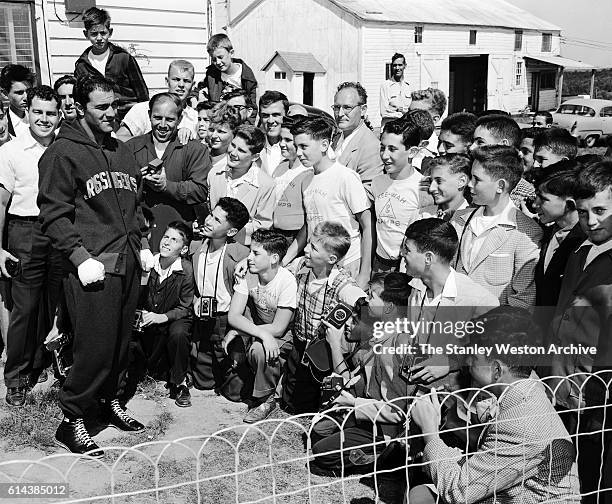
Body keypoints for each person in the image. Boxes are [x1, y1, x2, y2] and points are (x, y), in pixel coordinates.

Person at [38, 75, 152, 457]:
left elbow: (134, 206)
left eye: (114, 104)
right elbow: (54, 216)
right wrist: (78, 257)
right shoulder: (61, 153)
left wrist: (143, 244)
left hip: (128, 261)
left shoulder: (121, 151)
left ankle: (109, 400)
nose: (111, 112)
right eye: (101, 106)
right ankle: (72, 419)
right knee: (95, 345)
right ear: (80, 108)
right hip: (93, 266)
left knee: (121, 342)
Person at [408, 306, 580, 504]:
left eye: (474, 355)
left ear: (496, 369)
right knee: (422, 494)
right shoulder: (527, 392)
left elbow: (458, 492)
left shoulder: (520, 421)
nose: (468, 359)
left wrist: (429, 431)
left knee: (422, 497)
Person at [310, 272, 413, 476]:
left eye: (372, 296)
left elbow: (397, 411)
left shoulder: (396, 345)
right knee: (318, 433)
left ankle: (384, 459)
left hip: (384, 428)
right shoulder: (378, 336)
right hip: (366, 415)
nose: (366, 299)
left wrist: (353, 404)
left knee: (322, 453)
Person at [0, 86, 62, 406]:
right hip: (24, 231)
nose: (44, 119)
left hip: (60, 230)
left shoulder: (64, 148)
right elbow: (1, 202)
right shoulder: (11, 151)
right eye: (38, 111)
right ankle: (16, 377)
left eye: (50, 113)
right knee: (24, 307)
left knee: (51, 304)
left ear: (59, 115)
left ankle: (41, 364)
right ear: (27, 112)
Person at [401, 218, 499, 389]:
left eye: (407, 250)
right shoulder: (415, 287)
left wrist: (450, 362)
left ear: (428, 258)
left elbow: (494, 353)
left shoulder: (480, 301)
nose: (401, 254)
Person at [280, 221, 366, 414]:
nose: (307, 251)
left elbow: (359, 299)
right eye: (309, 244)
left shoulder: (340, 281)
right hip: (300, 343)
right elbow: (277, 272)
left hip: (324, 351)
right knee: (292, 402)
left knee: (320, 397)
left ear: (331, 258)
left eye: (313, 248)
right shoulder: (301, 266)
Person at [549, 160, 612, 418]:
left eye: (600, 210)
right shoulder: (578, 249)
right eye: (584, 213)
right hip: (562, 383)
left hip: (597, 395)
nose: (592, 221)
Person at [284, 117, 372, 288]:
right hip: (318, 265)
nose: (299, 153)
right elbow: (309, 224)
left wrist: (364, 273)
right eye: (297, 147)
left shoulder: (345, 177)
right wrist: (285, 259)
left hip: (347, 264)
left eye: (304, 146)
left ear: (324, 145)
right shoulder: (306, 180)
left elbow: (367, 225)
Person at [451, 145, 542, 309]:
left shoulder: (526, 232)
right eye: (470, 177)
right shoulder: (459, 219)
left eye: (477, 179)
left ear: (500, 186)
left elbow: (523, 298)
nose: (469, 185)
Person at [224, 229, 297, 423]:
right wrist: (256, 333)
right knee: (231, 390)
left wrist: (244, 331)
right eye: (250, 251)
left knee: (259, 350)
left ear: (274, 258)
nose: (249, 258)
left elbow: (280, 328)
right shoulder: (249, 274)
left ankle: (267, 398)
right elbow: (234, 315)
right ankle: (256, 379)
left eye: (256, 253)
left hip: (285, 335)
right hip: (260, 330)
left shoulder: (286, 280)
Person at [126, 92, 210, 249]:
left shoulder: (194, 149)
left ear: (179, 119)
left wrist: (167, 186)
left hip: (179, 237)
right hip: (141, 236)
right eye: (157, 117)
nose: (163, 125)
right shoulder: (131, 147)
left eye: (170, 119)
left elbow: (201, 190)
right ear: (149, 115)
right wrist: (139, 181)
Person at [189, 197, 250, 394]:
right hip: (203, 317)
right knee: (203, 383)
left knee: (234, 392)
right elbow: (187, 285)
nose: (208, 221)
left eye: (216, 220)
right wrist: (195, 300)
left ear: (231, 231)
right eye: (210, 215)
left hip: (227, 319)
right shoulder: (195, 246)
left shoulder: (240, 253)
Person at [135, 221, 194, 408]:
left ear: (183, 249)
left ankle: (180, 383)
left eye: (174, 240)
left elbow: (185, 307)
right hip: (147, 316)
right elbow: (137, 295)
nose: (167, 242)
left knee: (179, 332)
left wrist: (163, 317)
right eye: (166, 237)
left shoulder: (186, 270)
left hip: (171, 318)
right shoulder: (150, 262)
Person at [74, 7, 149, 120]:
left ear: (110, 32)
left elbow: (142, 93)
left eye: (103, 33)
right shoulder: (82, 65)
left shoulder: (123, 58)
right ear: (86, 34)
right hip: (100, 119)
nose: (99, 38)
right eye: (94, 34)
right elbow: (80, 97)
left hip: (128, 116)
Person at [207, 125, 276, 245]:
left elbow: (263, 225)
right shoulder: (215, 173)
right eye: (233, 145)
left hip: (241, 248)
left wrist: (228, 230)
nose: (233, 153)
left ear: (255, 157)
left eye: (241, 151)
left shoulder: (265, 184)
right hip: (212, 244)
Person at [371, 118, 422, 272]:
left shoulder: (423, 187)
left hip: (406, 267)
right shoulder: (377, 182)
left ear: (412, 152)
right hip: (379, 264)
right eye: (382, 148)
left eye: (392, 149)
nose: (385, 155)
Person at [533, 163, 585, 311]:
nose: (535, 204)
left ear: (570, 204)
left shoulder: (583, 242)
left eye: (543, 199)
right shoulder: (547, 231)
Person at [116, 60, 198, 141]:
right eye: (176, 79)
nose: (181, 85)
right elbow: (119, 138)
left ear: (193, 85)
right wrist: (150, 143)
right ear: (167, 81)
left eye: (186, 81)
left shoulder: (195, 117)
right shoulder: (142, 109)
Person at [470, 114, 535, 209]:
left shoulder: (525, 193)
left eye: (480, 142)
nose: (472, 148)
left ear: (504, 144)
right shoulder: (471, 179)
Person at [333, 82, 384, 197]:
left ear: (363, 110)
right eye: (337, 107)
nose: (340, 114)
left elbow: (368, 194)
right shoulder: (336, 138)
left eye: (347, 108)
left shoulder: (371, 146)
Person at [271, 115, 314, 244]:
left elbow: (309, 219)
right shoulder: (280, 167)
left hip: (296, 236)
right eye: (280, 139)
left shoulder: (309, 171)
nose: (281, 144)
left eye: (288, 140)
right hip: (275, 232)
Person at [204, 33, 257, 110]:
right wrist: (193, 97)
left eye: (220, 57)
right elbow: (199, 87)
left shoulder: (247, 76)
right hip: (218, 119)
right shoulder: (212, 73)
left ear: (231, 53)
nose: (218, 62)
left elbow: (252, 108)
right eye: (214, 59)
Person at [420, 154, 471, 221]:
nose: (431, 189)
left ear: (461, 181)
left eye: (439, 181)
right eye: (431, 181)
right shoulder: (422, 215)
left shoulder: (472, 220)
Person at [258, 90, 289, 176]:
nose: (270, 121)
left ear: (287, 115)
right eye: (265, 115)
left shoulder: (299, 148)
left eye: (276, 115)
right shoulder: (254, 147)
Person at [0, 64, 35, 137]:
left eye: (29, 91)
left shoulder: (39, 117)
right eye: (19, 92)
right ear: (5, 94)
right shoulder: (3, 125)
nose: (26, 97)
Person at [207, 102, 241, 174]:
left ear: (234, 135)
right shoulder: (200, 152)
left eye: (221, 132)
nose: (214, 136)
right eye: (211, 130)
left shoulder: (236, 163)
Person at [379, 52, 411, 128]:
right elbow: (384, 112)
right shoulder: (386, 85)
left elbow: (413, 110)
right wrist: (404, 113)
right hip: (389, 128)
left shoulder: (409, 86)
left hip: (405, 128)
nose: (397, 68)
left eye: (400, 65)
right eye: (394, 65)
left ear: (404, 66)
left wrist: (397, 110)